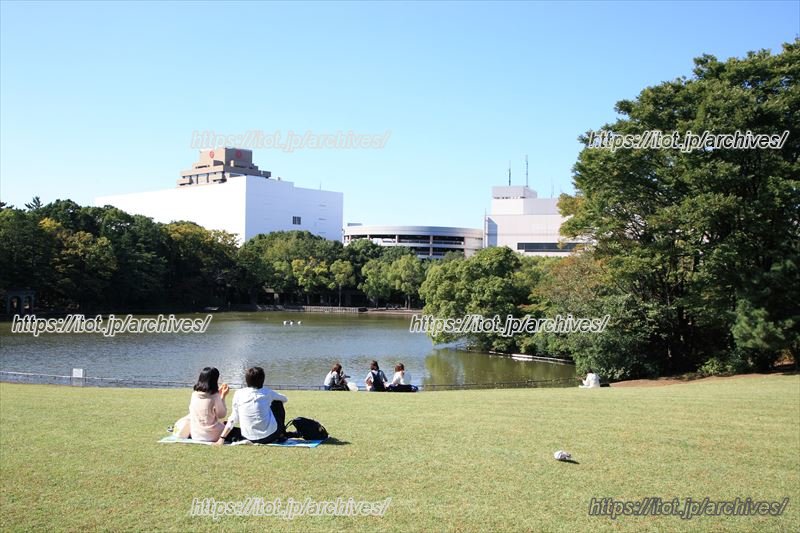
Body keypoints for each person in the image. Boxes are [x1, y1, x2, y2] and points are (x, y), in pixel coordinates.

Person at [216, 367, 288, 445]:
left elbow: (234, 417)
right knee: (277, 402)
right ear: (263, 380)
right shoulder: (268, 392)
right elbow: (284, 399)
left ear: (246, 380)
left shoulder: (238, 393)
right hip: (270, 436)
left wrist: (222, 438)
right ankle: (281, 433)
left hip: (248, 437)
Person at [188, 367, 229, 442]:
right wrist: (223, 396)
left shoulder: (194, 394)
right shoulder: (214, 396)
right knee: (229, 427)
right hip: (212, 435)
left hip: (195, 434)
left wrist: (218, 394)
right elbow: (221, 415)